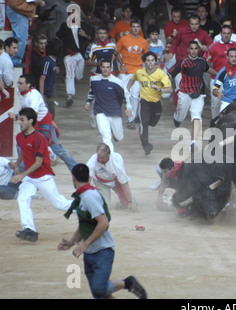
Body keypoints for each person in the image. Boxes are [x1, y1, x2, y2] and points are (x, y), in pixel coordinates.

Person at [59, 163, 147, 299]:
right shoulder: (83, 196)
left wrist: (85, 243)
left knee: (100, 290)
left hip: (102, 252)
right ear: (89, 178)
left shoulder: (89, 196)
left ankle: (128, 283)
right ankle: (128, 283)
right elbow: (84, 225)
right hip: (90, 253)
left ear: (73, 178)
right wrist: (72, 242)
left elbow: (103, 222)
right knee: (100, 294)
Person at [12, 108, 72, 242]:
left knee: (59, 204)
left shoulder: (39, 138)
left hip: (43, 176)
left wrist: (21, 175)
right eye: (19, 119)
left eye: (22, 120)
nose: (19, 123)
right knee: (22, 199)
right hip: (30, 177)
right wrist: (17, 165)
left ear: (31, 121)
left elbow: (38, 162)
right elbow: (23, 151)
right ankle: (30, 230)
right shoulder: (19, 136)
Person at [11, 74, 78, 173]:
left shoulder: (34, 95)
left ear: (28, 85)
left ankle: (77, 170)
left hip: (43, 124)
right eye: (18, 83)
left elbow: (32, 115)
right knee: (20, 144)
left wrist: (17, 116)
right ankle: (22, 169)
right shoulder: (19, 91)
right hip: (32, 122)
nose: (18, 85)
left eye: (21, 83)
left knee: (58, 149)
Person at [169, 41, 217, 149]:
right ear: (188, 50)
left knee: (197, 116)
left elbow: (208, 69)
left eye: (196, 48)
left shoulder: (202, 61)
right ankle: (177, 117)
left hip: (198, 94)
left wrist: (220, 74)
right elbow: (171, 75)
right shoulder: (183, 62)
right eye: (192, 48)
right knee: (181, 117)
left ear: (198, 50)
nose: (194, 51)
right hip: (184, 94)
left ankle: (193, 142)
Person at [127, 52, 173, 155]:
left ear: (155, 61)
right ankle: (146, 145)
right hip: (144, 103)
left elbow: (170, 89)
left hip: (156, 104)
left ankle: (145, 125)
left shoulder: (161, 74)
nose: (150, 63)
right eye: (148, 60)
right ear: (145, 62)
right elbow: (132, 79)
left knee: (152, 123)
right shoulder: (140, 72)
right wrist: (127, 89)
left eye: (152, 60)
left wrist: (159, 89)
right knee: (144, 124)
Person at [85, 60, 131, 152]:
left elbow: (126, 95)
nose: (105, 69)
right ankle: (110, 158)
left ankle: (114, 133)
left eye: (107, 67)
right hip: (100, 112)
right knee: (106, 138)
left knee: (119, 137)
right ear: (100, 68)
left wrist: (128, 107)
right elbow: (92, 92)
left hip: (115, 112)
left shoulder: (117, 82)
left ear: (110, 68)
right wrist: (88, 102)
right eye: (103, 67)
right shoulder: (94, 80)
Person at [204, 25, 236, 119]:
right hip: (216, 80)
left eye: (228, 33)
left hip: (233, 80)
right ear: (220, 34)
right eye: (224, 33)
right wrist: (216, 73)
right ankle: (215, 125)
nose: (226, 36)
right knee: (215, 104)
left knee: (233, 104)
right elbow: (205, 62)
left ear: (231, 34)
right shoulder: (214, 46)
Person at [56, 8, 94, 107]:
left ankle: (69, 81)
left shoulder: (84, 25)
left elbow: (92, 37)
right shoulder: (64, 26)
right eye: (71, 14)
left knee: (78, 76)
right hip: (69, 54)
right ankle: (69, 96)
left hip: (81, 55)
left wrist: (85, 35)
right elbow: (58, 38)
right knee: (71, 74)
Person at [116, 18, 149, 130]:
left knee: (135, 96)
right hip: (124, 72)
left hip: (137, 72)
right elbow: (116, 53)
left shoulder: (144, 42)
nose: (135, 29)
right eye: (133, 27)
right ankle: (116, 117)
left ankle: (131, 120)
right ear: (130, 28)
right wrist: (121, 64)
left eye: (137, 27)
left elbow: (147, 58)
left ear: (140, 28)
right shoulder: (124, 39)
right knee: (123, 95)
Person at [86, 143, 136, 211]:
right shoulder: (93, 160)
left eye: (102, 158)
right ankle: (98, 198)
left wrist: (130, 202)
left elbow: (125, 183)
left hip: (115, 180)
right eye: (98, 157)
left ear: (108, 156)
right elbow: (88, 178)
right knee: (106, 208)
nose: (99, 160)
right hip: (100, 183)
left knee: (130, 202)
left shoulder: (116, 162)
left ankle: (129, 200)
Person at [6, 0, 45, 66]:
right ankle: (15, 60)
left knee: (17, 38)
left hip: (15, 9)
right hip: (19, 11)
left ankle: (13, 58)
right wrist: (41, 2)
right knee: (21, 39)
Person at [39, 38, 63, 120]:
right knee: (47, 118)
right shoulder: (47, 62)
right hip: (45, 95)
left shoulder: (53, 60)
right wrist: (42, 98)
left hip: (50, 93)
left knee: (51, 117)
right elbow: (42, 79)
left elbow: (56, 71)